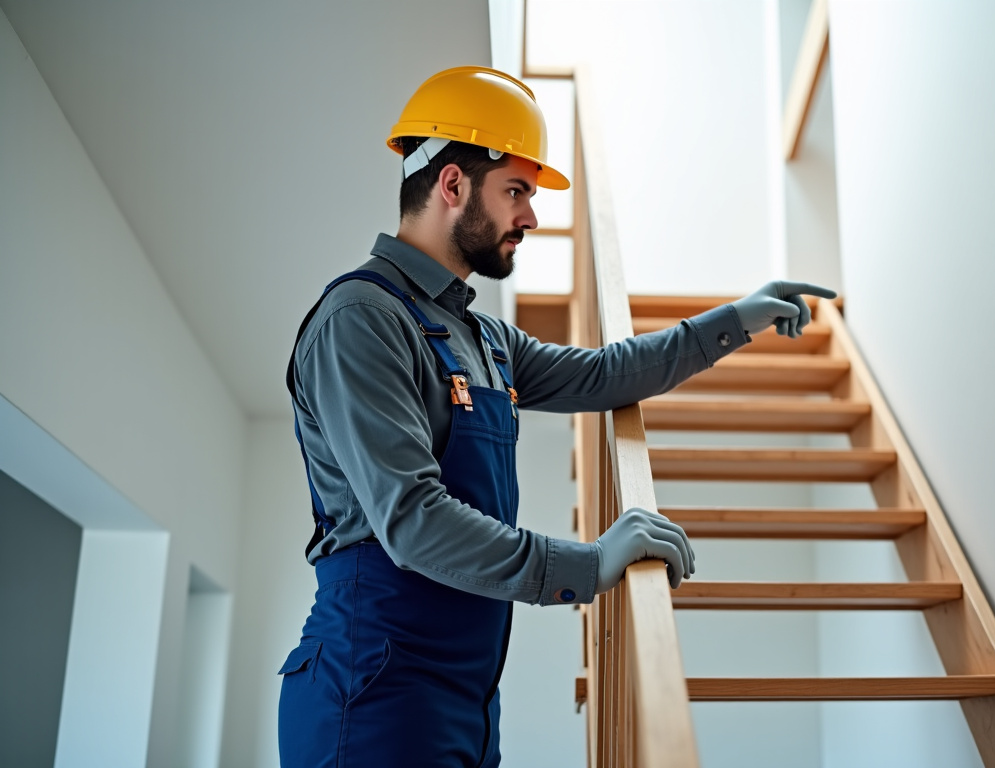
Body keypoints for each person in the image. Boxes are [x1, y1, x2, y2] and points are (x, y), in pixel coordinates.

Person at [277, 66, 835, 767]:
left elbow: (603, 374)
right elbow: (413, 519)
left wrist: (737, 318)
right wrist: (590, 563)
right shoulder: (363, 321)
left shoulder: (480, 339)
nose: (532, 217)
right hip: (372, 693)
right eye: (517, 191)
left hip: (468, 696)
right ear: (452, 185)